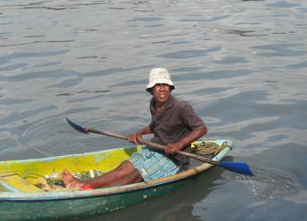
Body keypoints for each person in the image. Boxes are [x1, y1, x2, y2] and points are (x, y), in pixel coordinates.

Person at [62, 67, 207, 190]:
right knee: (124, 167)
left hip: (174, 158)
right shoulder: (154, 103)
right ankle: (82, 184)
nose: (162, 89)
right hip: (156, 149)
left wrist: (179, 144)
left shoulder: (181, 107)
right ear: (151, 90)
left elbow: (201, 128)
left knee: (135, 175)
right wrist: (139, 133)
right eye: (158, 85)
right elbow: (156, 126)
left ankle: (86, 189)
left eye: (165, 85)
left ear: (170, 87)